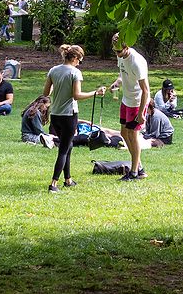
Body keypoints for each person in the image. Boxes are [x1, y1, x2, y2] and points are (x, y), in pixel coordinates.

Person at [42, 44, 106, 192]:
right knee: (63, 149)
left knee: (68, 145)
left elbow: (46, 93)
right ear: (75, 58)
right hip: (69, 115)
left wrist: (55, 85)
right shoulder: (75, 73)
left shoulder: (53, 70)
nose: (79, 63)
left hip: (55, 115)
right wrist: (95, 93)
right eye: (80, 60)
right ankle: (53, 184)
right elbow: (77, 95)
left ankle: (68, 179)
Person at [111, 31, 151, 181]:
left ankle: (135, 172)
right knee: (124, 133)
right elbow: (122, 74)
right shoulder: (120, 56)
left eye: (119, 51)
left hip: (137, 101)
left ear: (127, 47)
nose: (117, 54)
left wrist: (141, 113)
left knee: (133, 135)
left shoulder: (137, 62)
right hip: (126, 100)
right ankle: (138, 166)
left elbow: (145, 90)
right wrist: (117, 82)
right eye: (114, 51)